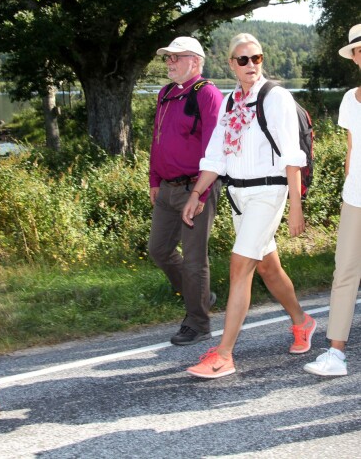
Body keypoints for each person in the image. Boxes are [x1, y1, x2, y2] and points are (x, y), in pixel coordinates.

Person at [182, 33, 316, 379]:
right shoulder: (231, 103)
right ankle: (303, 322)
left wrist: (296, 206)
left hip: (268, 193)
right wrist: (197, 194)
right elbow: (216, 156)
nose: (251, 65)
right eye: (243, 60)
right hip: (239, 196)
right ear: (231, 64)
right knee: (268, 268)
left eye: (256, 58)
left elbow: (292, 156)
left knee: (240, 266)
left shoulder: (276, 97)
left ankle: (224, 355)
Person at [149, 37, 223, 345]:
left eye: (175, 57)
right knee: (159, 250)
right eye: (167, 57)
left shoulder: (207, 95)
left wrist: (201, 195)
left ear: (194, 61)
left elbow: (215, 150)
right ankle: (200, 296)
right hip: (167, 188)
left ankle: (198, 322)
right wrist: (154, 180)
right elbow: (157, 139)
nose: (168, 62)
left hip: (197, 188)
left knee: (194, 259)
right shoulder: (166, 93)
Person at [304, 24, 361, 377]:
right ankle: (336, 353)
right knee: (344, 273)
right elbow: (352, 149)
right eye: (359, 51)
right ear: (354, 57)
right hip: (356, 197)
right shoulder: (348, 99)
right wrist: (347, 187)